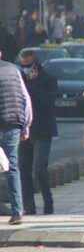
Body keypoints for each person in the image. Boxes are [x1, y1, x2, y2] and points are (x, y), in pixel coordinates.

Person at [18, 51, 57, 215]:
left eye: (28, 66)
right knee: (24, 170)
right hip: (24, 130)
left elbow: (47, 101)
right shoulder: (20, 81)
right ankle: (29, 206)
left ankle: (48, 203)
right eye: (22, 66)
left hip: (42, 131)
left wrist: (34, 84)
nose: (25, 69)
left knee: (40, 168)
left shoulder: (48, 80)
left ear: (36, 65)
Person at [0, 53, 33, 224]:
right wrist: (26, 125)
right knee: (12, 167)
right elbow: (25, 98)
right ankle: (17, 211)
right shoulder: (14, 70)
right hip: (13, 122)